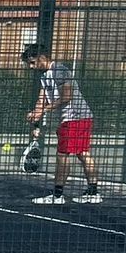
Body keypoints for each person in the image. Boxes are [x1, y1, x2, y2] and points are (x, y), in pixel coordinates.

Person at [22, 42, 102, 205]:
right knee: (82, 153)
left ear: (42, 58)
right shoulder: (44, 76)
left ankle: (58, 196)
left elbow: (67, 96)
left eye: (32, 62)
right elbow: (41, 99)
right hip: (77, 118)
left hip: (75, 117)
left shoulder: (60, 70)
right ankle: (93, 192)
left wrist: (43, 111)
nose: (31, 67)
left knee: (62, 155)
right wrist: (36, 117)